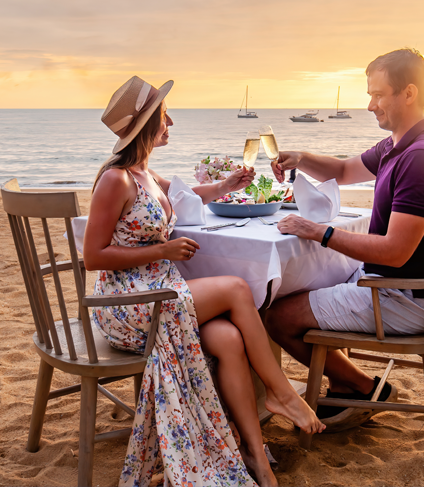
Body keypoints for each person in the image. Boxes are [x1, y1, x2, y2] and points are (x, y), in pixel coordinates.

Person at [82, 76, 323, 487]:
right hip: (128, 305)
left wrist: (225, 186)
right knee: (236, 289)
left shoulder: (143, 174)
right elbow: (93, 256)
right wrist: (161, 251)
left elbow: (188, 194)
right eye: (163, 116)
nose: (170, 121)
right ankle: (280, 392)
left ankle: (254, 455)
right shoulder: (115, 179)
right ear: (144, 125)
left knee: (229, 338)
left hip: (160, 294)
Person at [265, 48, 424, 430]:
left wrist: (318, 232)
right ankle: (342, 382)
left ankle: (365, 387)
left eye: (378, 94)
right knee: (290, 288)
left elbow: (396, 253)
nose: (370, 105)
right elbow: (342, 170)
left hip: (409, 298)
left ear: (409, 93)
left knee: (277, 315)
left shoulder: (419, 159)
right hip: (404, 287)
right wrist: (299, 157)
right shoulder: (397, 146)